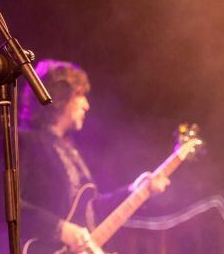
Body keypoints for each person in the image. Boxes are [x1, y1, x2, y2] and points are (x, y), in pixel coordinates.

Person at [15, 59, 170, 252]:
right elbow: (1, 201)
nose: (86, 105)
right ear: (60, 95)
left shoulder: (68, 148)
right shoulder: (25, 141)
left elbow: (91, 210)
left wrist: (134, 191)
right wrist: (60, 229)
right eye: (80, 95)